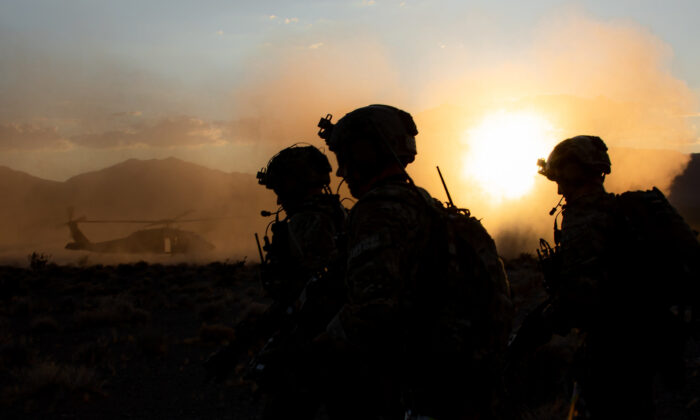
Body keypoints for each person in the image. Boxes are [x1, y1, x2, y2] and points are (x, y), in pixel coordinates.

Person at [316, 105, 513, 419]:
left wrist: (315, 350)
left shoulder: (378, 211)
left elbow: (373, 312)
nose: (341, 172)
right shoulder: (430, 206)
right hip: (471, 382)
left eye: (345, 159)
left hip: (428, 387)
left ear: (366, 153)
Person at [525, 135, 700, 418]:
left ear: (574, 173)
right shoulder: (617, 211)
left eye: (562, 179)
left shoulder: (585, 218)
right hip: (642, 341)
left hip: (613, 349)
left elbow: (580, 297)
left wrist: (542, 325)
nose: (558, 188)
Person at [206, 145, 347, 419]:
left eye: (280, 185)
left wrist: (239, 347)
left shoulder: (309, 224)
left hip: (318, 346)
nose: (277, 195)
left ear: (296, 182)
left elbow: (306, 295)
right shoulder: (335, 215)